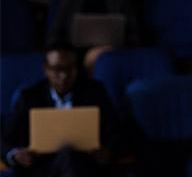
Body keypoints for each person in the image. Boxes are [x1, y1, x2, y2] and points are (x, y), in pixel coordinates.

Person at [1, 43, 120, 177]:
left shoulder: (95, 92)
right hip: (41, 166)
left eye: (69, 69)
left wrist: (108, 151)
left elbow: (115, 131)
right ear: (46, 69)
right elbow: (6, 137)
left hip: (85, 164)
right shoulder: (29, 97)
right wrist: (16, 154)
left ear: (76, 69)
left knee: (69, 156)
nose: (63, 76)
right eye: (57, 69)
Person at [47, 0, 140, 72]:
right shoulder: (70, 1)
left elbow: (134, 35)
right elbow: (54, 36)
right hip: (77, 58)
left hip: (112, 55)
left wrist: (107, 49)